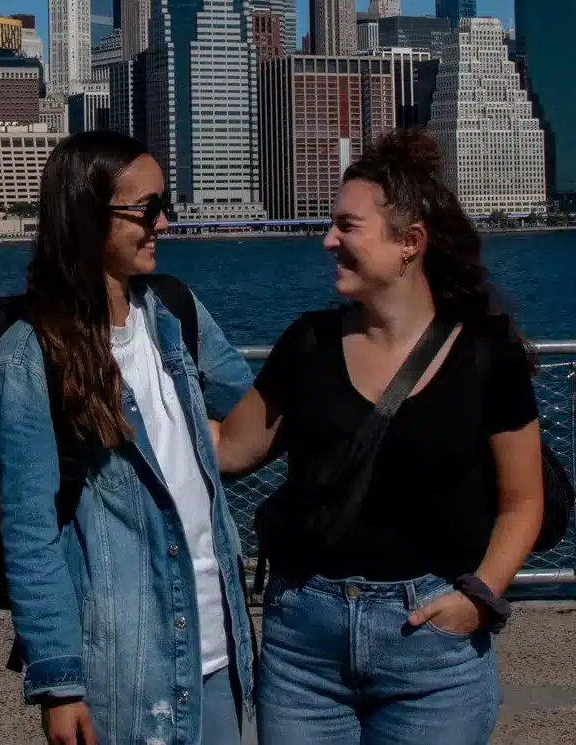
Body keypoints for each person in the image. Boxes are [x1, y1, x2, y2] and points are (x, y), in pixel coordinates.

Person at [214, 128, 547, 745]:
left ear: (409, 244)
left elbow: (523, 500)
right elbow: (231, 447)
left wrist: (479, 597)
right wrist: (127, 399)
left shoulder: (484, 355)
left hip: (430, 646)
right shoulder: (308, 343)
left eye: (347, 226)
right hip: (301, 645)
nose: (327, 240)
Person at [0, 130, 257, 745]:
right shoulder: (28, 357)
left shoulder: (176, 311)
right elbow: (30, 534)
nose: (163, 222)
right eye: (146, 210)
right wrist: (60, 686)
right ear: (86, 217)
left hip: (222, 652)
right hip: (124, 672)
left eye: (164, 204)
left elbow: (250, 417)